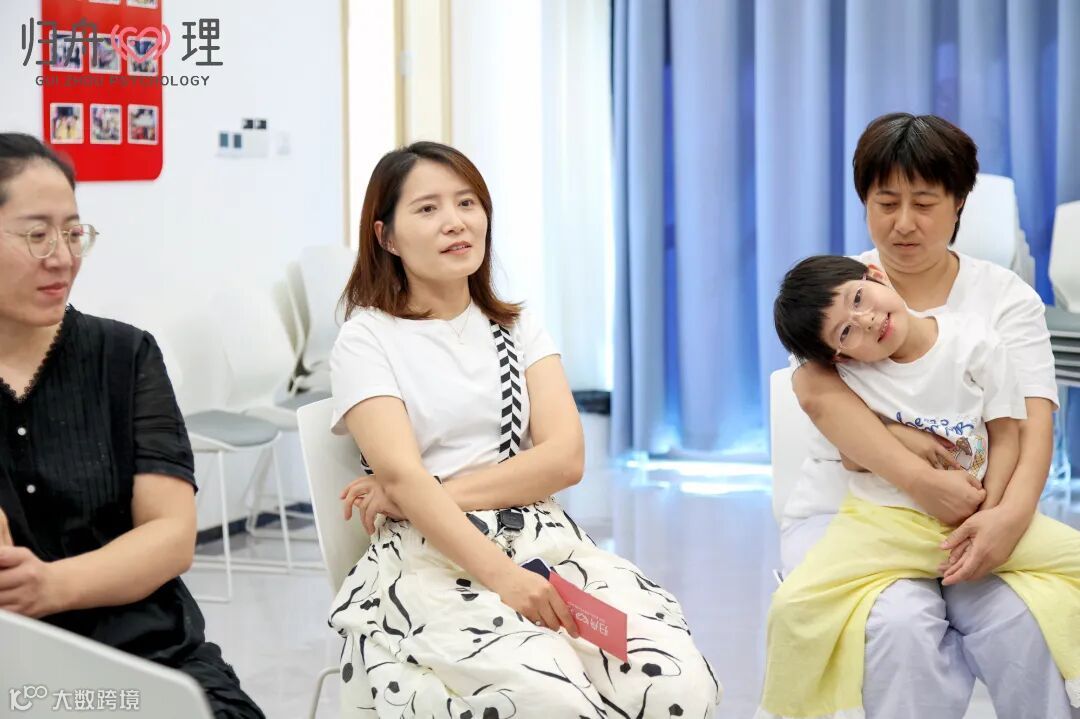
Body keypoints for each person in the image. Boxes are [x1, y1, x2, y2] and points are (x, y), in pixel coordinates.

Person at [328, 141, 721, 717]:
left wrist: (415, 493)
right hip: (429, 556)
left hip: (543, 540)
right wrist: (502, 575)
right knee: (551, 700)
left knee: (676, 687)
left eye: (467, 202)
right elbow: (405, 479)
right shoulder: (366, 339)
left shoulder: (516, 326)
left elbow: (565, 460)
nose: (455, 222)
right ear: (386, 237)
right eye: (428, 208)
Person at [777, 111, 1079, 719]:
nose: (904, 223)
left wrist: (1005, 519)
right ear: (865, 201)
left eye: (924, 203)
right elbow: (819, 395)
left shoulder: (1005, 300)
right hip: (857, 515)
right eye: (886, 203)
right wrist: (918, 475)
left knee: (1022, 621)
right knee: (900, 627)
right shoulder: (838, 291)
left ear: (959, 202)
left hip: (984, 511)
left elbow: (1031, 425)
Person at [0, 132, 264, 718]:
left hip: (150, 653)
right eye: (37, 235)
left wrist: (48, 586)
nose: (62, 257)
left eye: (73, 233)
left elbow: (171, 535)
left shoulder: (124, 355)